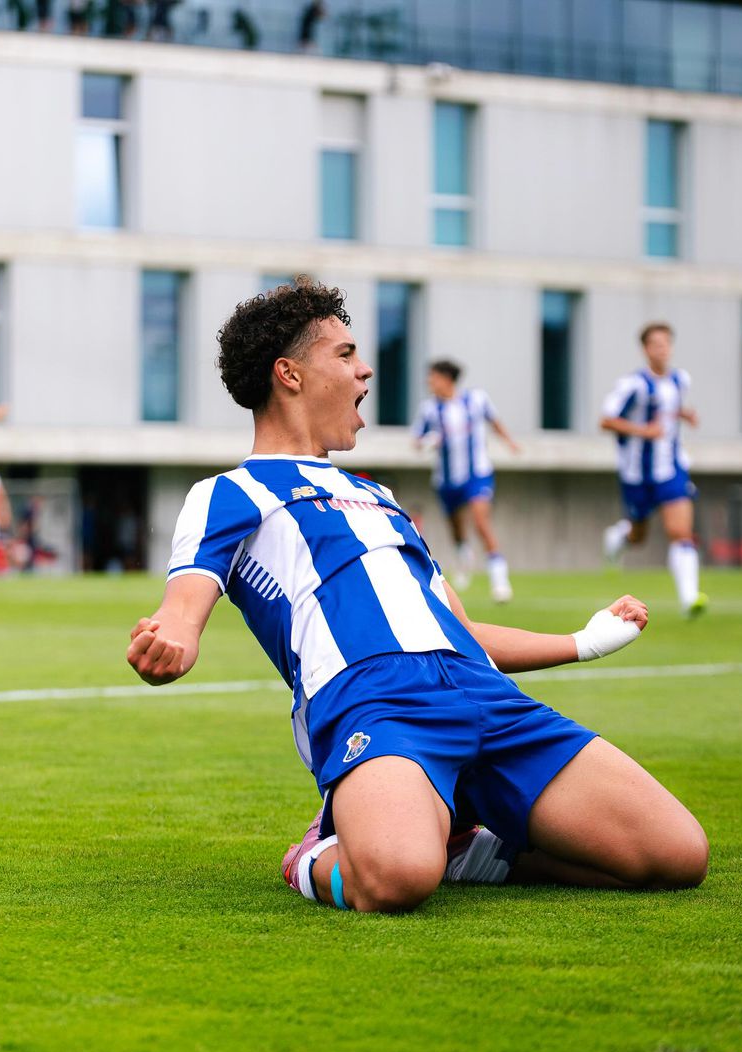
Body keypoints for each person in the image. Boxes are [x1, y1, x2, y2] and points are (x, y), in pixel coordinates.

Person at [126, 281, 708, 915]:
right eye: (346, 354)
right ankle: (318, 853)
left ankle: (469, 848)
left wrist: (583, 642)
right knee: (397, 879)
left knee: (676, 855)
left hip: (482, 696)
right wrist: (174, 639)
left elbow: (458, 629)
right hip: (376, 704)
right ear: (288, 374)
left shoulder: (382, 498)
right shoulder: (226, 493)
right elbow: (183, 606)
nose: (365, 368)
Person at [600, 322, 707, 618]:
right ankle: (620, 536)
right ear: (646, 349)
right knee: (639, 536)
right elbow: (606, 420)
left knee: (681, 532)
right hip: (637, 474)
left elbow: (669, 410)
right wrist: (643, 431)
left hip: (672, 469)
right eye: (656, 344)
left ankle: (689, 598)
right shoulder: (632, 384)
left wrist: (685, 415)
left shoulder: (680, 380)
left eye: (666, 343)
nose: (662, 349)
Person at [413, 359, 519, 602]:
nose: (430, 383)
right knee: (457, 530)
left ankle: (500, 581)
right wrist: (429, 441)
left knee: (481, 523)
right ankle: (464, 556)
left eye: (433, 377)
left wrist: (510, 442)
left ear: (446, 379)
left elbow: (495, 422)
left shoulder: (476, 399)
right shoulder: (429, 409)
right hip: (447, 480)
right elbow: (417, 440)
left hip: (477, 474)